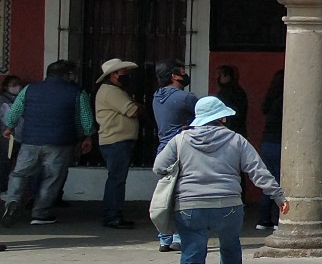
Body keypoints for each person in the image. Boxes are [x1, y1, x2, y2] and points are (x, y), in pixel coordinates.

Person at [154, 95, 286, 264]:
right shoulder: (237, 140)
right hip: (228, 205)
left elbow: (159, 167)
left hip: (189, 207)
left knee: (192, 262)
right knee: (229, 243)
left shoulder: (180, 139)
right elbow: (258, 171)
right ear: (221, 117)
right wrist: (278, 197)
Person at [1, 60, 95, 227]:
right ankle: (40, 213)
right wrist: (86, 137)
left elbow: (14, 113)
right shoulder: (78, 92)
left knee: (19, 174)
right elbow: (84, 119)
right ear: (68, 75)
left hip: (30, 141)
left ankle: (12, 202)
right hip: (61, 142)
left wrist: (9, 127)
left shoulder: (29, 89)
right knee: (52, 178)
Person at [151, 60, 196, 250]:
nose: (185, 74)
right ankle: (179, 236)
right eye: (182, 72)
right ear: (174, 76)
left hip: (163, 150)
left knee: (165, 195)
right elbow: (205, 117)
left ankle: (164, 237)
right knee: (181, 195)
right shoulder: (185, 98)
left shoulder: (156, 96)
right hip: (181, 150)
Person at [93, 59, 142, 229]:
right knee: (117, 180)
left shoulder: (111, 90)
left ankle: (112, 214)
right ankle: (112, 215)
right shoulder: (112, 91)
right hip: (116, 140)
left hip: (116, 140)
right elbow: (133, 111)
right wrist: (139, 106)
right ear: (113, 75)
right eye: (124, 73)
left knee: (116, 179)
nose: (127, 76)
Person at [256, 70, 284, 231]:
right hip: (280, 142)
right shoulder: (284, 100)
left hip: (268, 142)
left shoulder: (270, 99)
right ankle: (279, 218)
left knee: (269, 181)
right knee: (281, 183)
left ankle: (263, 218)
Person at [214, 65, 249, 137]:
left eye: (220, 75)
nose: (217, 78)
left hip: (229, 130)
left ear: (227, 76)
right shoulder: (239, 91)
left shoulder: (227, 92)